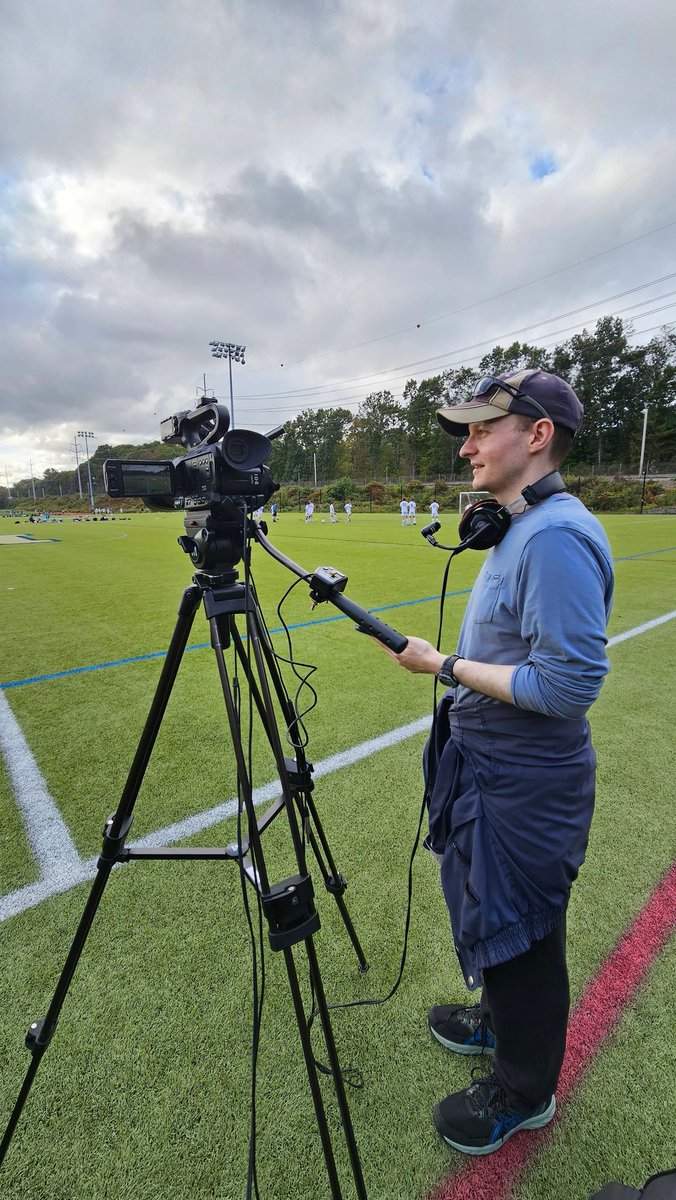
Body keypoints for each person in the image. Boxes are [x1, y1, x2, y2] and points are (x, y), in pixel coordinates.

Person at [378, 369, 614, 1156]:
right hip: (489, 765)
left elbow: (569, 683)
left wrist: (444, 667)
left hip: (525, 780)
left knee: (525, 931)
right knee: (495, 914)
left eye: (483, 429)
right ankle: (498, 1023)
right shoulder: (517, 524)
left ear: (538, 435)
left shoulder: (554, 537)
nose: (468, 446)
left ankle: (526, 1090)